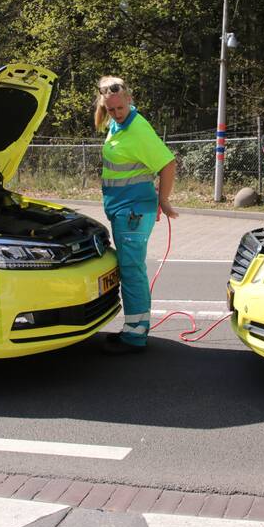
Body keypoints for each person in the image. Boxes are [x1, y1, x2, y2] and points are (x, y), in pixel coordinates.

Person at [95, 76, 178, 354]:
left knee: (131, 271)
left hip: (132, 211)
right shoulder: (118, 124)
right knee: (132, 270)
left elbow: (167, 164)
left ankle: (134, 335)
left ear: (129, 99)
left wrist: (163, 200)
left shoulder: (137, 129)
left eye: (120, 108)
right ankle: (136, 328)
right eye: (110, 109)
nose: (116, 113)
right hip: (124, 209)